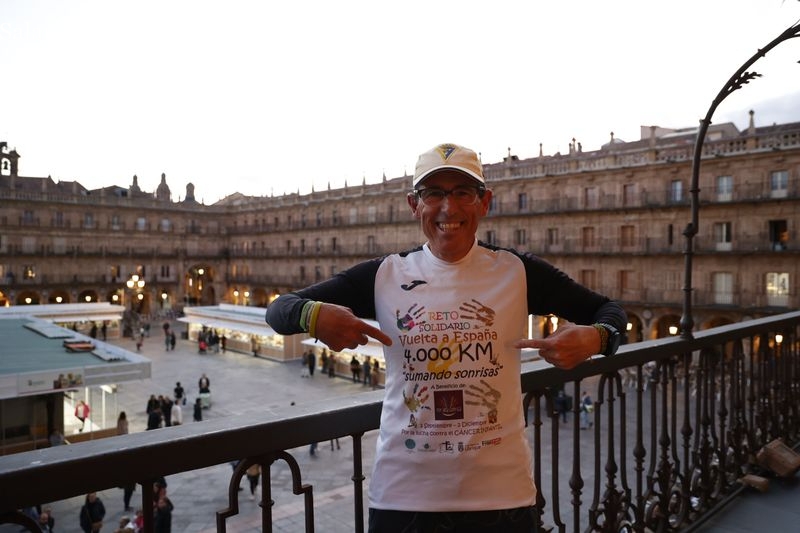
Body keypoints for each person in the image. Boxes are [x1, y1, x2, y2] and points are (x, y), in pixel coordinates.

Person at [265, 143, 626, 532]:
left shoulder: (518, 272)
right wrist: (314, 315)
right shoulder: (384, 275)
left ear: (484, 202)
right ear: (414, 204)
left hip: (502, 494)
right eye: (433, 193)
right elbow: (279, 310)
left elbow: (610, 313)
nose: (448, 208)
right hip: (404, 495)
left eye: (462, 193)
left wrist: (596, 339)